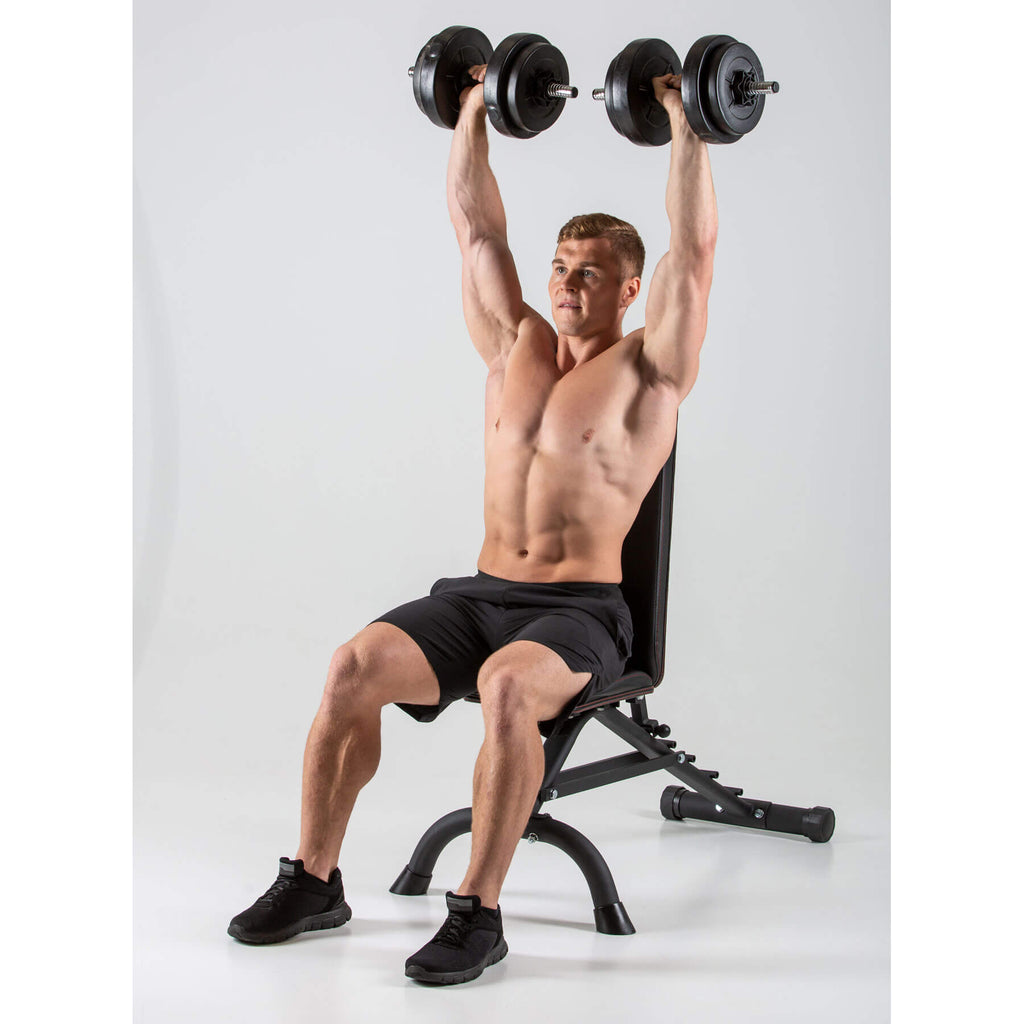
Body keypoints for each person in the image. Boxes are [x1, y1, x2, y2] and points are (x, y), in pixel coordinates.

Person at [228, 66, 717, 985]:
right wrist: (470, 108)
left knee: (503, 688)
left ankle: (477, 913)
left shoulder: (652, 372)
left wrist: (685, 119)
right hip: (482, 592)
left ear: (630, 289)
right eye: (563, 269)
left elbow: (694, 255)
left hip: (582, 613)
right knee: (351, 669)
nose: (569, 285)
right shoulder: (513, 345)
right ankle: (315, 881)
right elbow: (476, 224)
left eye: (593, 275)